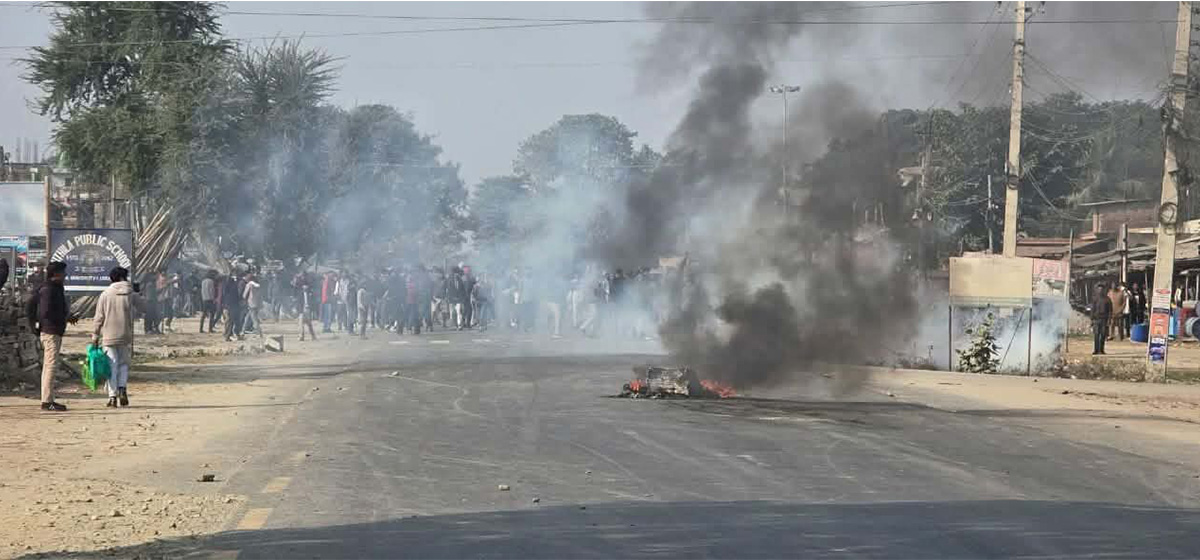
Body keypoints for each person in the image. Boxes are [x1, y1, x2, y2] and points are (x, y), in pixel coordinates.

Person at [92, 266, 144, 407]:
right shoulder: (131, 293)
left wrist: (95, 335)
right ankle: (122, 389)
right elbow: (143, 307)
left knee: (112, 365)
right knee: (123, 364)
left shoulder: (105, 294)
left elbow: (99, 317)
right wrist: (139, 294)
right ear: (122, 277)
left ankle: (112, 397)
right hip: (125, 334)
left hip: (109, 335)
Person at [25, 262, 73, 411]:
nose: (65, 275)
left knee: (49, 365)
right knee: (51, 366)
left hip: (53, 330)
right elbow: (45, 312)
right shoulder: (49, 289)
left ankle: (48, 399)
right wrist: (35, 325)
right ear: (56, 274)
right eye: (63, 273)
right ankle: (47, 401)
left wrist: (67, 317)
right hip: (51, 331)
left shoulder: (52, 288)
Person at [220, 272, 244, 342]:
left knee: (229, 321)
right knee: (233, 321)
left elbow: (222, 296)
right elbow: (236, 296)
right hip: (233, 305)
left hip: (227, 305)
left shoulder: (224, 286)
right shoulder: (234, 286)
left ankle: (228, 334)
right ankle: (229, 335)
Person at [295, 273, 318, 341]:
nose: (305, 287)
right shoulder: (299, 293)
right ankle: (301, 336)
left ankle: (313, 336)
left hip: (307, 309)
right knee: (301, 323)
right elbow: (298, 302)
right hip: (302, 309)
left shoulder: (310, 293)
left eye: (306, 287)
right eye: (304, 287)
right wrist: (299, 310)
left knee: (309, 323)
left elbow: (312, 301)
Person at [1092, 284, 1112, 355]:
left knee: (1103, 335)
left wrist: (1109, 320)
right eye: (1099, 289)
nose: (1100, 291)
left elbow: (1110, 311)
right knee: (1096, 335)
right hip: (1096, 319)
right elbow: (1093, 309)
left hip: (1104, 319)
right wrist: (1092, 319)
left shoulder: (1107, 299)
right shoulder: (1095, 299)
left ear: (1104, 290)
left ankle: (1101, 350)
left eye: (1101, 289)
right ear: (1097, 290)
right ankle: (1096, 350)